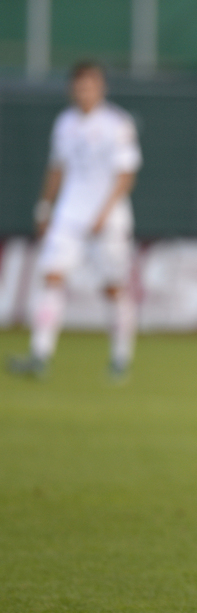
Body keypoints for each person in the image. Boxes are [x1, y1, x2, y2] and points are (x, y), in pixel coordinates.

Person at [7, 60, 142, 381]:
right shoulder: (65, 123)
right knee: (52, 277)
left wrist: (103, 214)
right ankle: (40, 355)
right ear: (72, 89)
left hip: (108, 220)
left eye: (90, 86)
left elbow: (125, 175)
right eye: (79, 86)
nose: (84, 92)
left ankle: (120, 358)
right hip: (69, 214)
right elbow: (57, 168)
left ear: (101, 88)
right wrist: (45, 208)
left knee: (113, 288)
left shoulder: (117, 124)